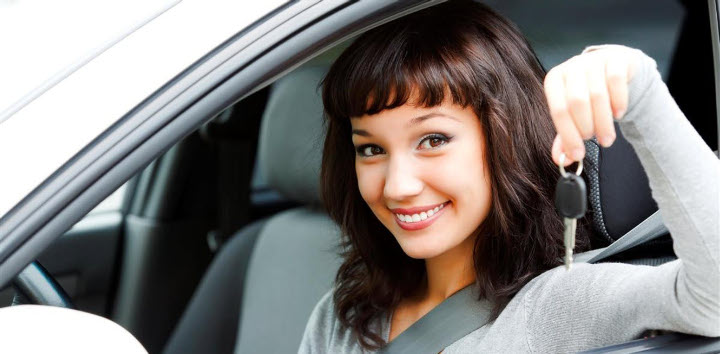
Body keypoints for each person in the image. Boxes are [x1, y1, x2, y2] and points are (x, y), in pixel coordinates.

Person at [299, 1, 720, 352]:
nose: (397, 185)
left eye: (433, 139)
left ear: (506, 142)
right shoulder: (345, 316)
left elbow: (713, 299)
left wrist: (638, 86)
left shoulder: (559, 304)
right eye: (371, 149)